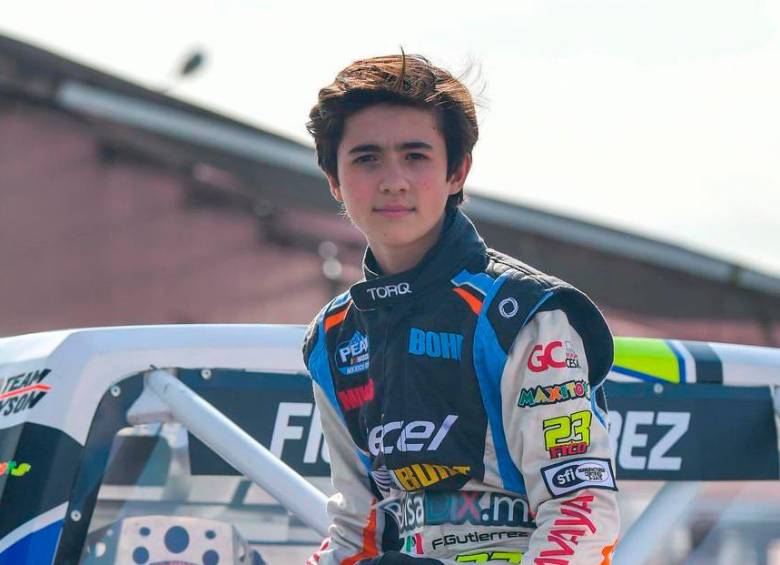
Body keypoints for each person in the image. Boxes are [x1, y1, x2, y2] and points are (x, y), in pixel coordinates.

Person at [302, 53, 620, 565]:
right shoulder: (334, 338)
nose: (393, 180)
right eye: (366, 158)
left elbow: (580, 509)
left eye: (415, 156)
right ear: (333, 180)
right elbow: (356, 530)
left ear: (457, 172)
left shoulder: (521, 315)